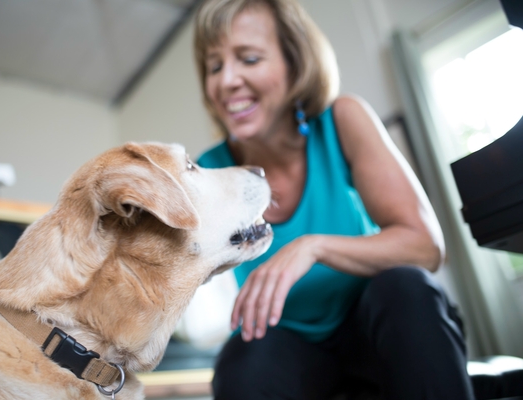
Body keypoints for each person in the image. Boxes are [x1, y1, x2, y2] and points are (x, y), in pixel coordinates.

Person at [193, 0, 474, 399]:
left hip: (376, 326)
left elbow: (426, 248)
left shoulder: (342, 120)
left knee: (404, 287)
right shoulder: (210, 171)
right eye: (214, 66)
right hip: (289, 349)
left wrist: (314, 247)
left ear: (295, 64)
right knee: (240, 361)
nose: (227, 81)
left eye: (249, 59)